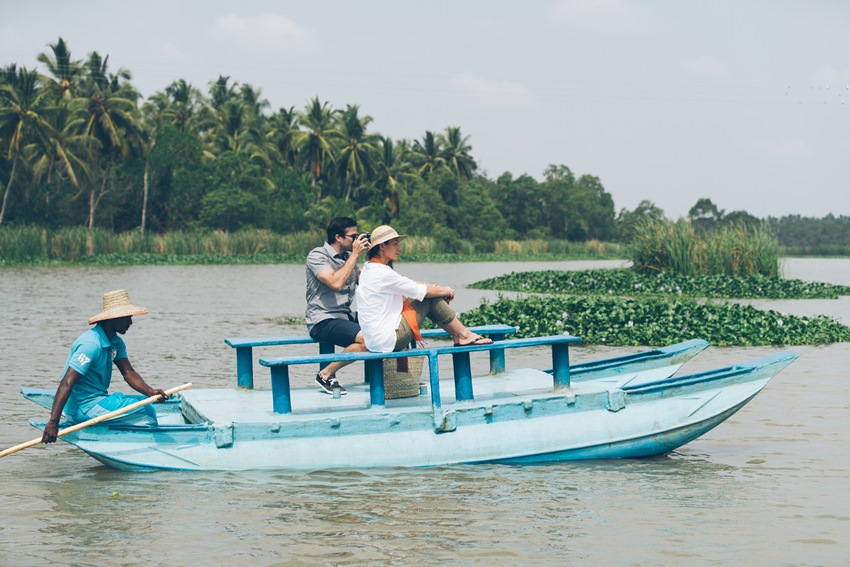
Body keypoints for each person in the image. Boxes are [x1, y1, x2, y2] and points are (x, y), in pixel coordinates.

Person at [41, 289, 168, 444]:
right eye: (127, 318)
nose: (130, 323)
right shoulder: (91, 344)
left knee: (145, 402)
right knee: (147, 411)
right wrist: (53, 422)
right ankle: (152, 445)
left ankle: (126, 438)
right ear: (113, 319)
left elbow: (128, 372)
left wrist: (150, 392)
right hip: (83, 407)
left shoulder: (116, 342)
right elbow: (67, 382)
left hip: (98, 400)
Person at [356, 225, 493, 353]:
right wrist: (445, 291)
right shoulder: (382, 272)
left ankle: (458, 335)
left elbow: (409, 285)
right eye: (395, 243)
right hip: (388, 340)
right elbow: (420, 291)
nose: (400, 248)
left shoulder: (370, 268)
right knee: (428, 299)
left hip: (375, 341)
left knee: (427, 295)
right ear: (382, 247)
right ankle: (464, 334)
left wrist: (437, 289)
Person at [305, 217, 371, 394]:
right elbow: (335, 282)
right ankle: (325, 374)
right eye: (353, 236)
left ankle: (399, 376)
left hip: (345, 317)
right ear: (338, 237)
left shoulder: (349, 257)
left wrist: (377, 255)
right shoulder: (317, 255)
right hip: (322, 319)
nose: (357, 240)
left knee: (391, 327)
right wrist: (355, 255)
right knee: (367, 339)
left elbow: (369, 284)